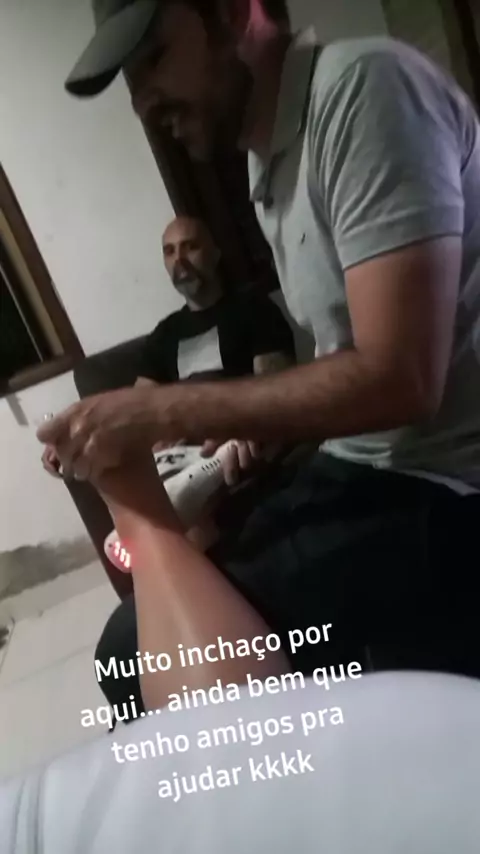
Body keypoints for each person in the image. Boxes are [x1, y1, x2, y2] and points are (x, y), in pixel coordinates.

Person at [40, 0, 480, 682]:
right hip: (361, 464)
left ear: (228, 14)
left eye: (155, 58)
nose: (144, 103)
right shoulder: (267, 165)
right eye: (132, 82)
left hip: (445, 482)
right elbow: (345, 357)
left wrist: (166, 410)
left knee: (128, 655)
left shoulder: (365, 90)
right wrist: (253, 426)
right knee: (164, 602)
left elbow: (404, 378)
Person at [42, 213, 295, 480]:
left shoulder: (254, 309)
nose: (179, 260)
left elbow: (274, 397)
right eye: (169, 251)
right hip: (183, 457)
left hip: (238, 444)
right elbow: (135, 405)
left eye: (190, 247)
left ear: (215, 254)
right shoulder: (166, 333)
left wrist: (234, 427)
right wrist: (76, 434)